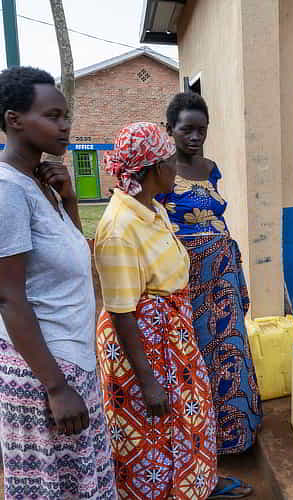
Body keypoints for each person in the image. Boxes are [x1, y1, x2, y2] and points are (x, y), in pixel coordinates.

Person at [95, 122, 252, 499]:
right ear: (151, 170)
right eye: (169, 161)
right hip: (144, 348)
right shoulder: (120, 227)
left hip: (173, 335)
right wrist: (147, 381)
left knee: (189, 419)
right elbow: (120, 311)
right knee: (156, 436)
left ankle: (197, 485)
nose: (175, 169)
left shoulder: (150, 209)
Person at [0, 66, 116, 499]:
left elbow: (66, 259)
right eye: (52, 116)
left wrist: (67, 198)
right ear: (15, 120)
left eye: (66, 115)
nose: (65, 125)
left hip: (71, 360)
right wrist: (56, 387)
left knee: (83, 485)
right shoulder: (8, 190)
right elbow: (10, 298)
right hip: (43, 375)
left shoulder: (39, 183)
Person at [156, 92, 263, 455]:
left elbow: (218, 215)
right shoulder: (162, 171)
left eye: (202, 130)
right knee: (196, 352)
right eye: (187, 129)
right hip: (189, 279)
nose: (195, 137)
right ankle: (203, 440)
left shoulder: (211, 167)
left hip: (223, 276)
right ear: (170, 129)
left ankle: (240, 430)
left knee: (230, 346)